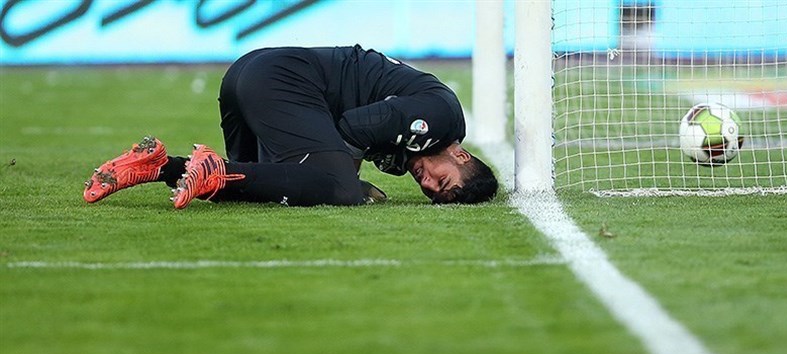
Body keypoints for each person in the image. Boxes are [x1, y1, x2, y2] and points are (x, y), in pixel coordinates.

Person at [83, 44, 499, 209]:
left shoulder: (413, 149)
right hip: (280, 80)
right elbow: (353, 126)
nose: (427, 183)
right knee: (337, 189)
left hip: (250, 74)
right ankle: (212, 168)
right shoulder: (440, 119)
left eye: (430, 192)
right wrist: (346, 181)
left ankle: (159, 165)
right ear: (460, 155)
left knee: (251, 187)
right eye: (443, 181)